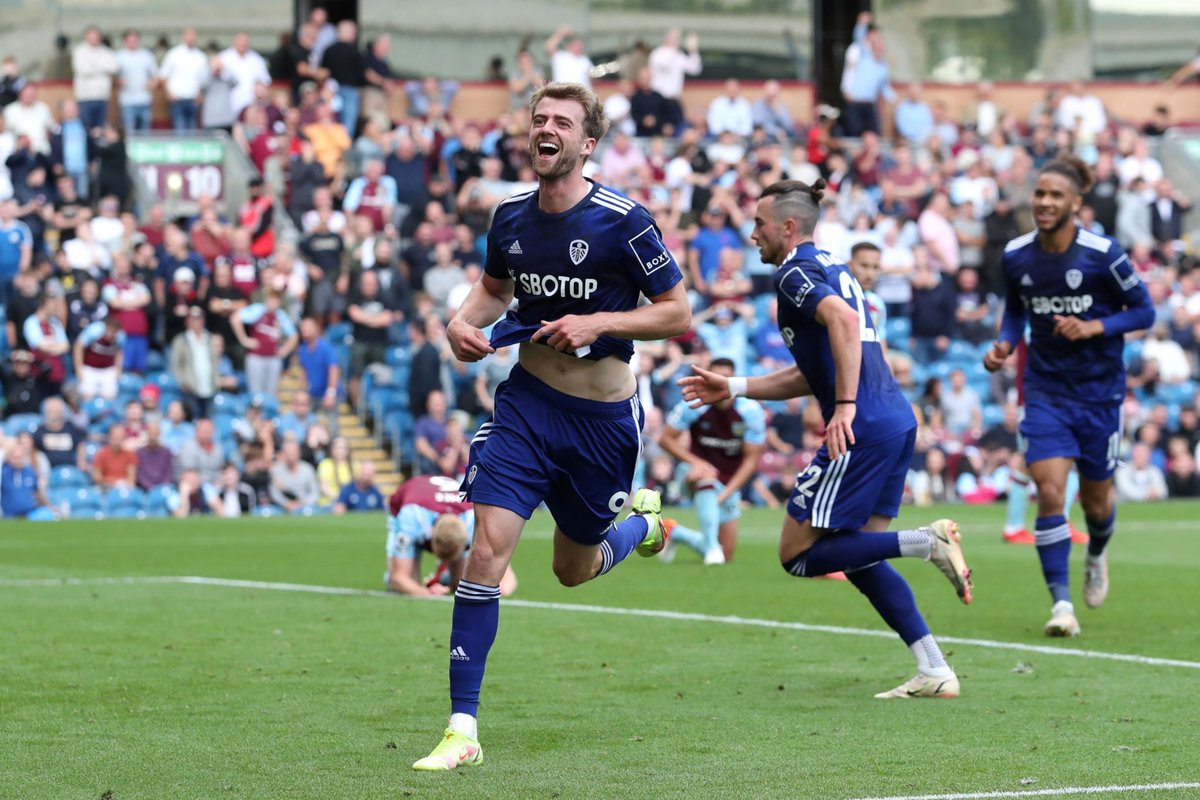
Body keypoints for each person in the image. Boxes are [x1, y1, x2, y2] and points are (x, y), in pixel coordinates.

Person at [412, 81, 690, 772]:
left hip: (602, 422)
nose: (547, 128)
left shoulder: (624, 221)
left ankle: (646, 527)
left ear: (586, 144)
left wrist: (603, 322)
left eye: (562, 122)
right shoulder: (509, 216)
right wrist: (457, 323)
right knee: (485, 553)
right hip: (527, 406)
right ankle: (462, 728)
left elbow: (677, 312)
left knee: (573, 568)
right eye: (539, 118)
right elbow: (493, 289)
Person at [681, 178, 973, 701]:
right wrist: (737, 386)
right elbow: (814, 368)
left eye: (759, 225)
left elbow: (839, 322)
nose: (752, 236)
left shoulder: (795, 270)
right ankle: (934, 669)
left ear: (788, 227)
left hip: (860, 426)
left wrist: (842, 408)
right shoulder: (832, 268)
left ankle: (927, 542)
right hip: (892, 420)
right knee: (857, 555)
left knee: (797, 554)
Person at [983, 155, 1154, 637]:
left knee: (1098, 506)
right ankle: (1061, 605)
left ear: (1076, 203)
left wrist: (1096, 325)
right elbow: (1015, 311)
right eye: (1040, 193)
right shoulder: (1016, 255)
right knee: (1051, 491)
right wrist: (1004, 343)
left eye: (1056, 195)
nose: (1044, 202)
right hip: (1046, 391)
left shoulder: (1104, 255)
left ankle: (1096, 554)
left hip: (1100, 397)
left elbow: (1145, 312)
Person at [657, 357, 764, 565]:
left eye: (726, 377)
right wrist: (695, 461)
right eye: (716, 376)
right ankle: (712, 547)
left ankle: (674, 532)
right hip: (692, 475)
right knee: (704, 474)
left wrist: (726, 493)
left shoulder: (750, 411)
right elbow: (665, 439)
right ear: (707, 379)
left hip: (728, 482)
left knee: (726, 556)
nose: (720, 381)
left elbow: (751, 461)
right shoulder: (694, 403)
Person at [386, 474, 518, 597]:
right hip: (406, 502)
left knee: (463, 584)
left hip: (445, 505)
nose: (445, 562)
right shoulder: (412, 518)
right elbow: (399, 578)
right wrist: (427, 593)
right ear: (430, 538)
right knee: (401, 584)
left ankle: (445, 578)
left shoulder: (473, 518)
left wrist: (486, 588)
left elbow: (507, 582)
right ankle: (440, 576)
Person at [231, 290, 299, 398]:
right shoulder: (258, 310)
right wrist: (244, 339)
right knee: (255, 392)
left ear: (279, 302)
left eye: (276, 301)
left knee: (271, 392)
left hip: (273, 358)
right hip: (256, 357)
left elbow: (294, 336)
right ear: (266, 300)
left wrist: (284, 350)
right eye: (271, 300)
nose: (273, 303)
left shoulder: (281, 315)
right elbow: (236, 318)